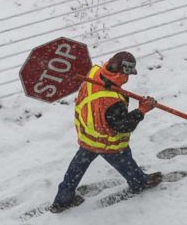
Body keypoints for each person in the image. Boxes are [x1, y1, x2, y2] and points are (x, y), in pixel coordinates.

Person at [51, 51, 162, 212]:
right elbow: (123, 126)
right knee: (124, 160)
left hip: (88, 133)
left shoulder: (94, 72)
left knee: (77, 167)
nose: (128, 77)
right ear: (121, 72)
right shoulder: (110, 100)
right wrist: (142, 110)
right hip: (106, 141)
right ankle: (139, 183)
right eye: (127, 74)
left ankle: (63, 200)